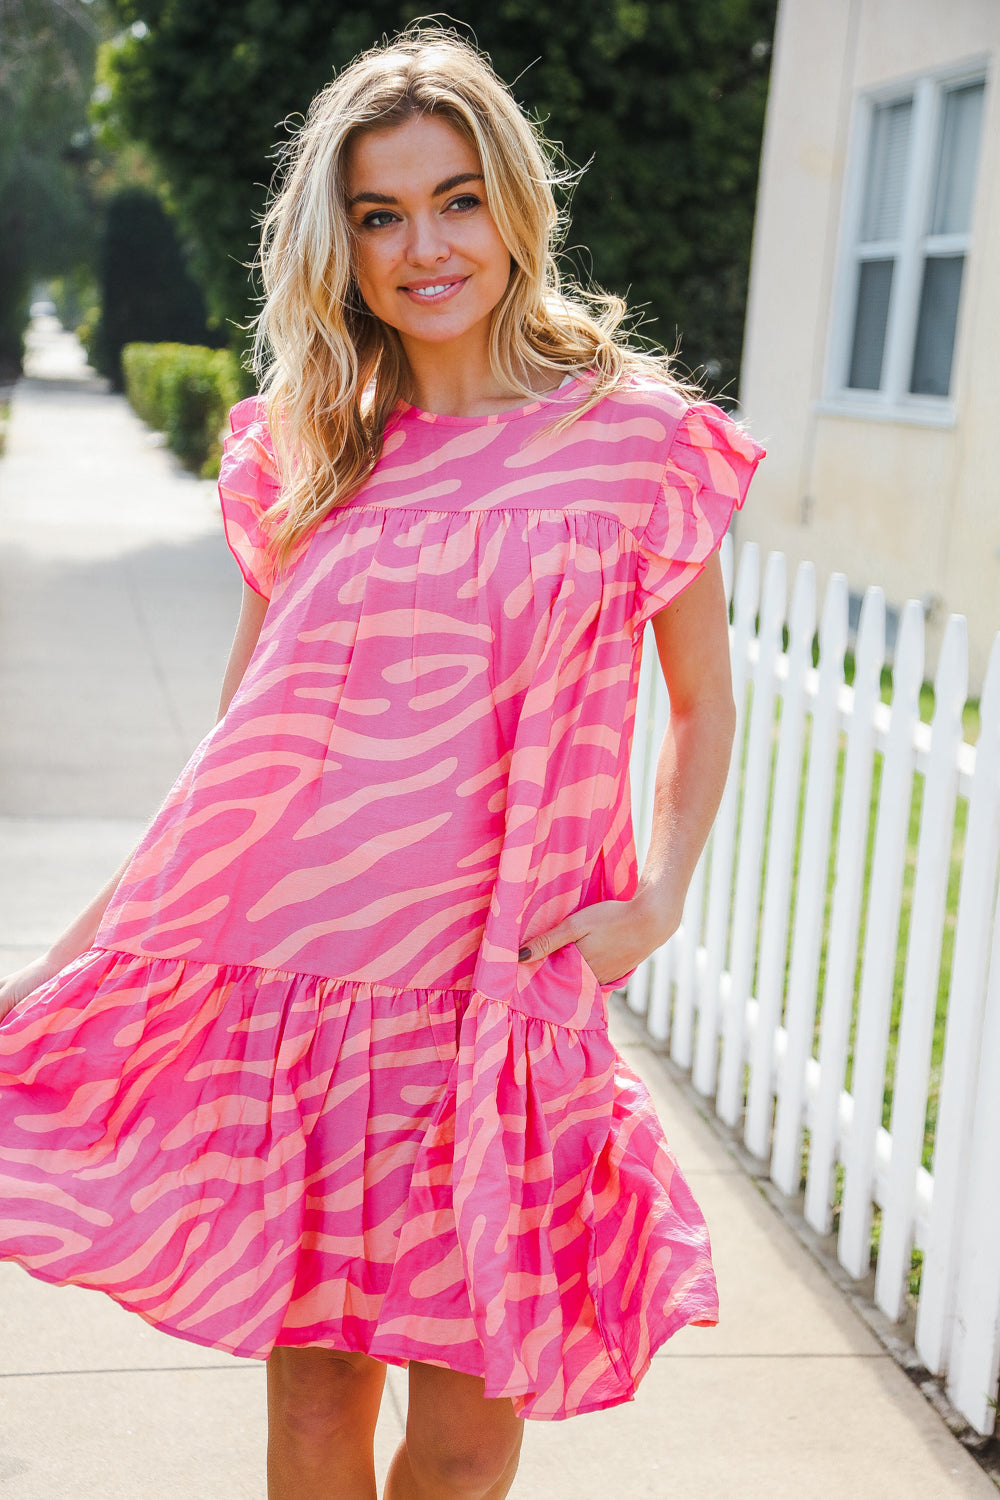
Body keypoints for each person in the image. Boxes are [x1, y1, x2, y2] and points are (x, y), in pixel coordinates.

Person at [0, 24, 763, 1500]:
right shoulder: (307, 447)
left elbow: (704, 698)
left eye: (458, 198)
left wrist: (659, 896)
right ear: (338, 244)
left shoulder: (636, 443)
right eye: (381, 213)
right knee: (312, 1413)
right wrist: (73, 961)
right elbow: (237, 760)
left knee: (470, 1442)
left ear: (516, 206)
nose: (427, 245)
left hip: (496, 1005)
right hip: (309, 1001)